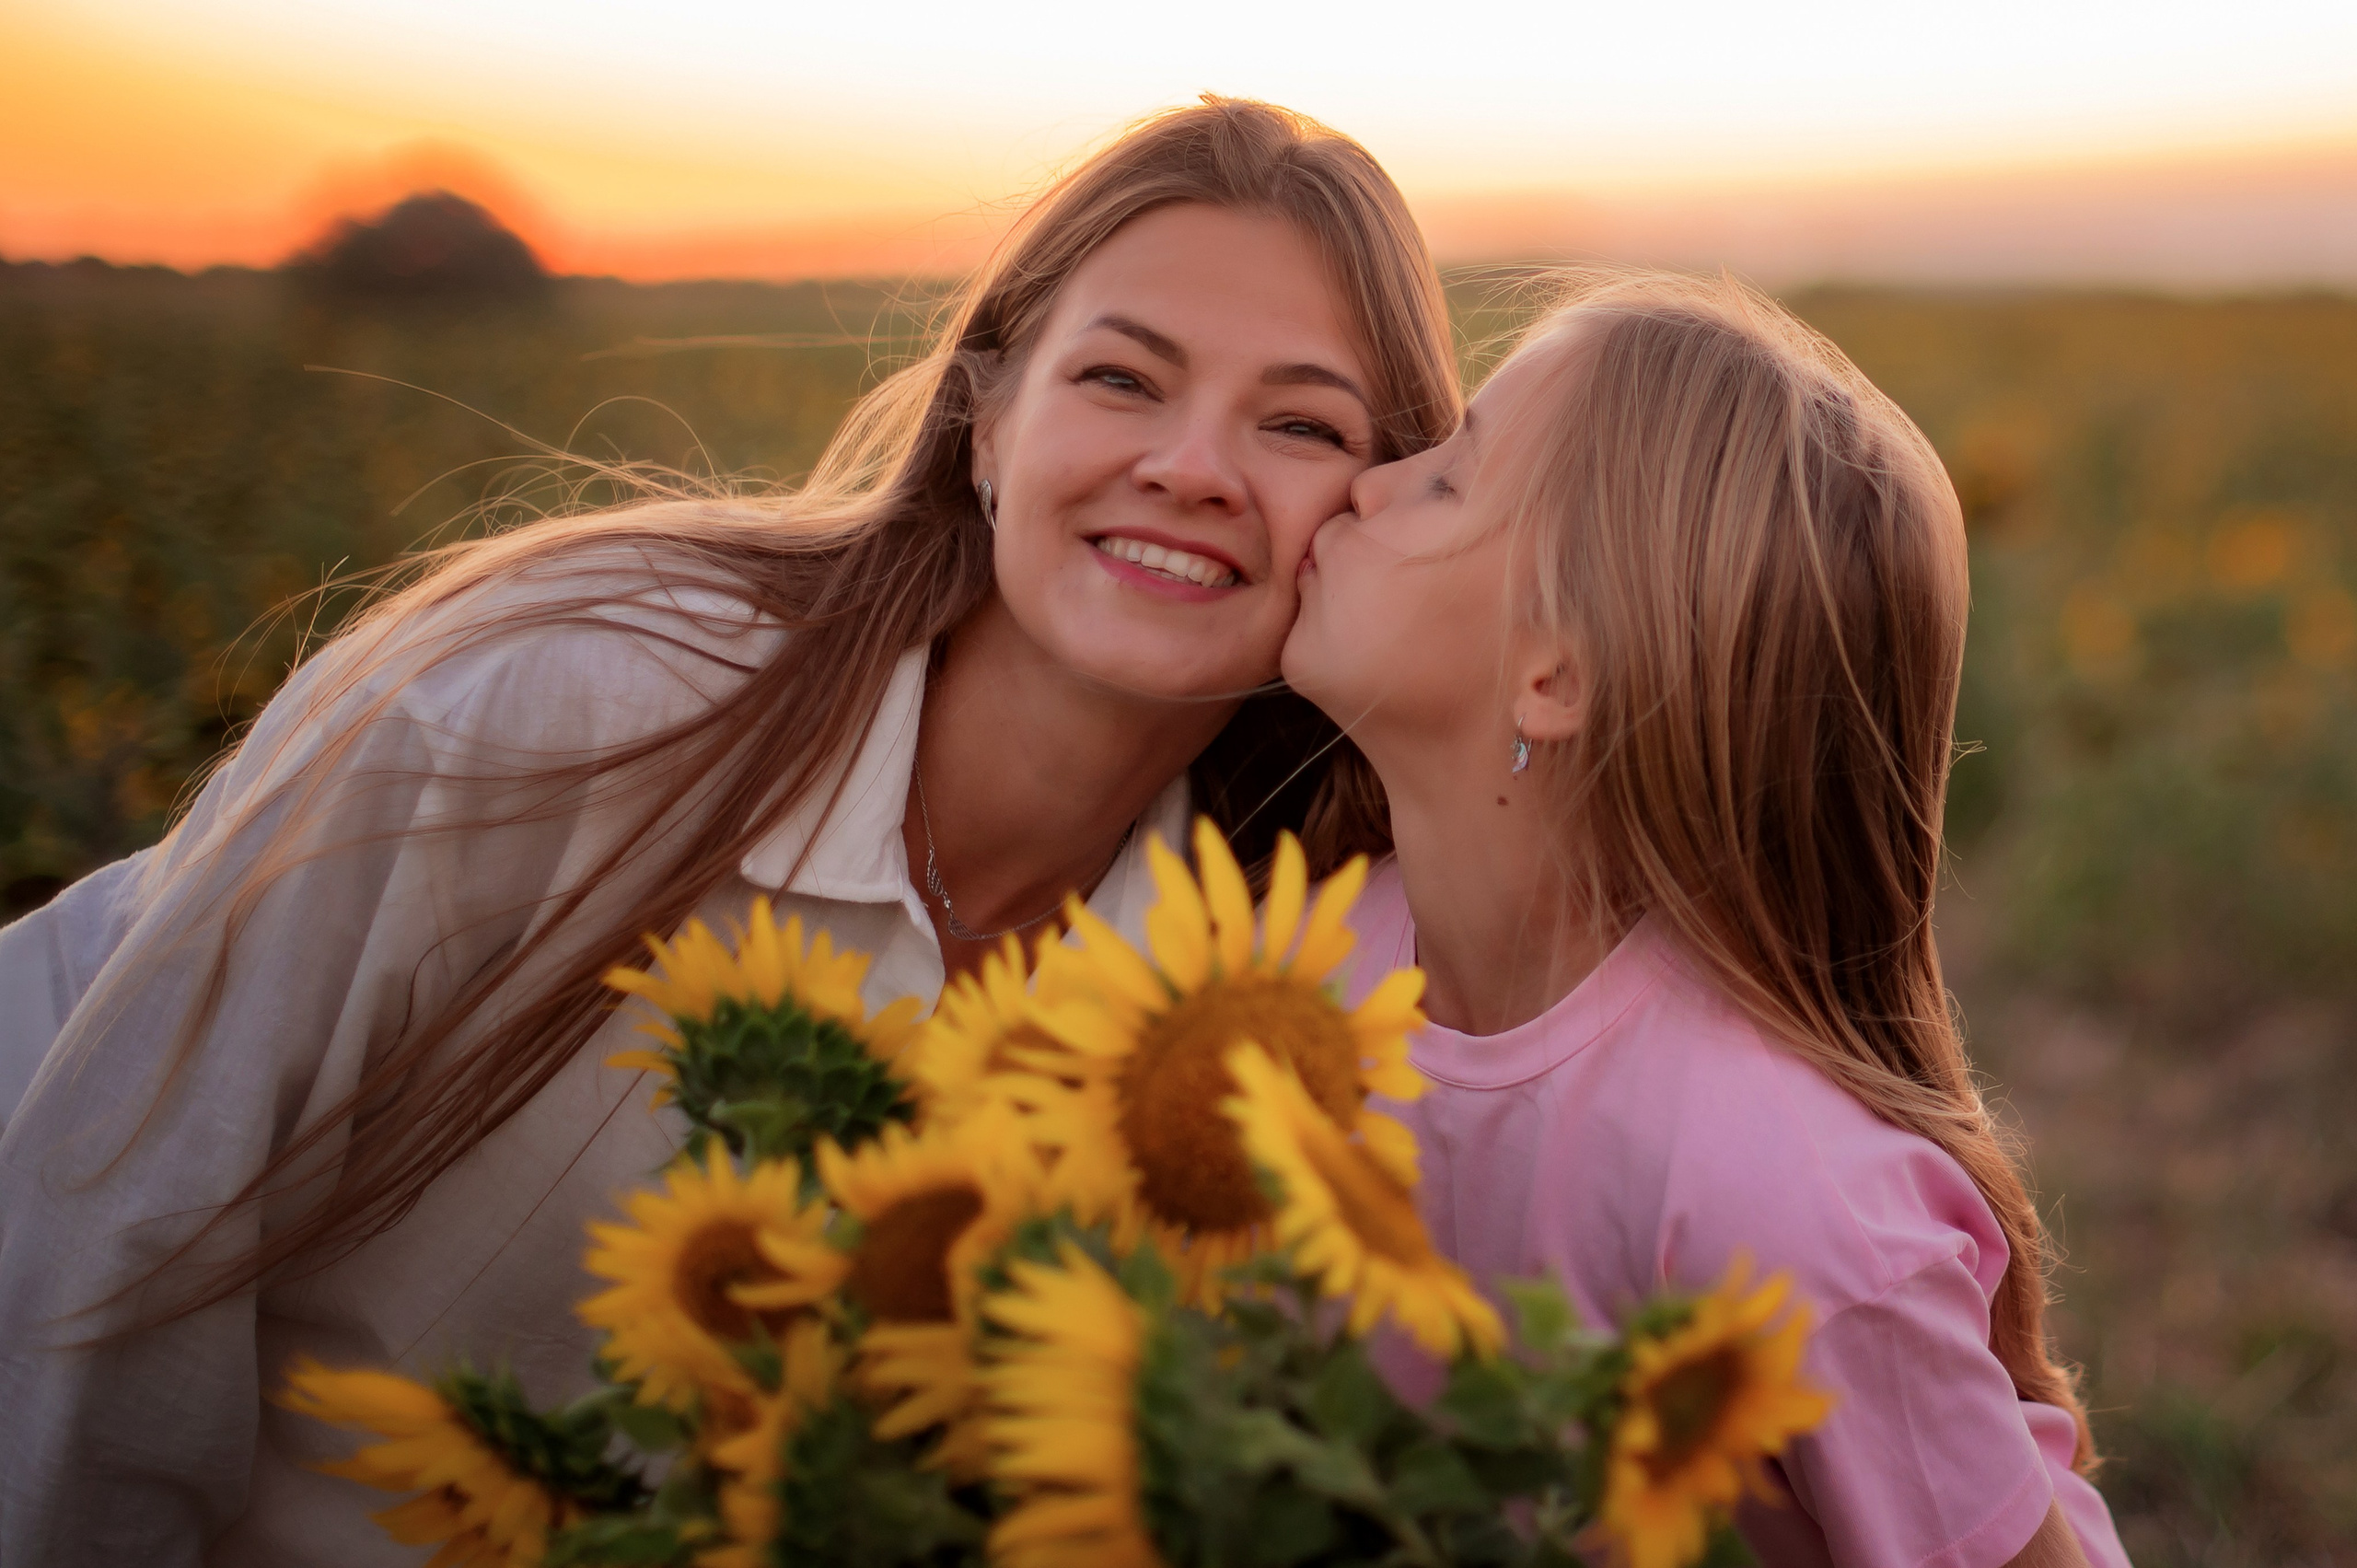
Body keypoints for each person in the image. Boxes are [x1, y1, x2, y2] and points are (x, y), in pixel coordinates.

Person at [0, 98, 1455, 1566]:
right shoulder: (572, 706)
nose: (1196, 466)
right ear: (987, 426)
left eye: (1299, 423)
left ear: (1379, 513)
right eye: (1124, 378)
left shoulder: (1260, 1009)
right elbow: (103, 1232)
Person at [1283, 270, 2129, 1567]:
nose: (1369, 483)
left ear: (1553, 672)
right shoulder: (1308, 958)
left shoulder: (1786, 1205)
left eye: (1448, 479)